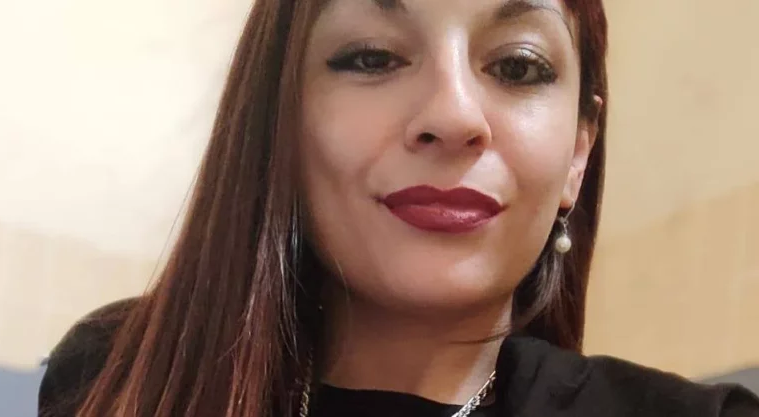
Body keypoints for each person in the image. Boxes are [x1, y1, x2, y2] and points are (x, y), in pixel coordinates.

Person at [38, 0, 759, 416]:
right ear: (279, 121)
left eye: (517, 66)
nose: (452, 115)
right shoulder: (121, 377)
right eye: (373, 58)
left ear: (578, 153)